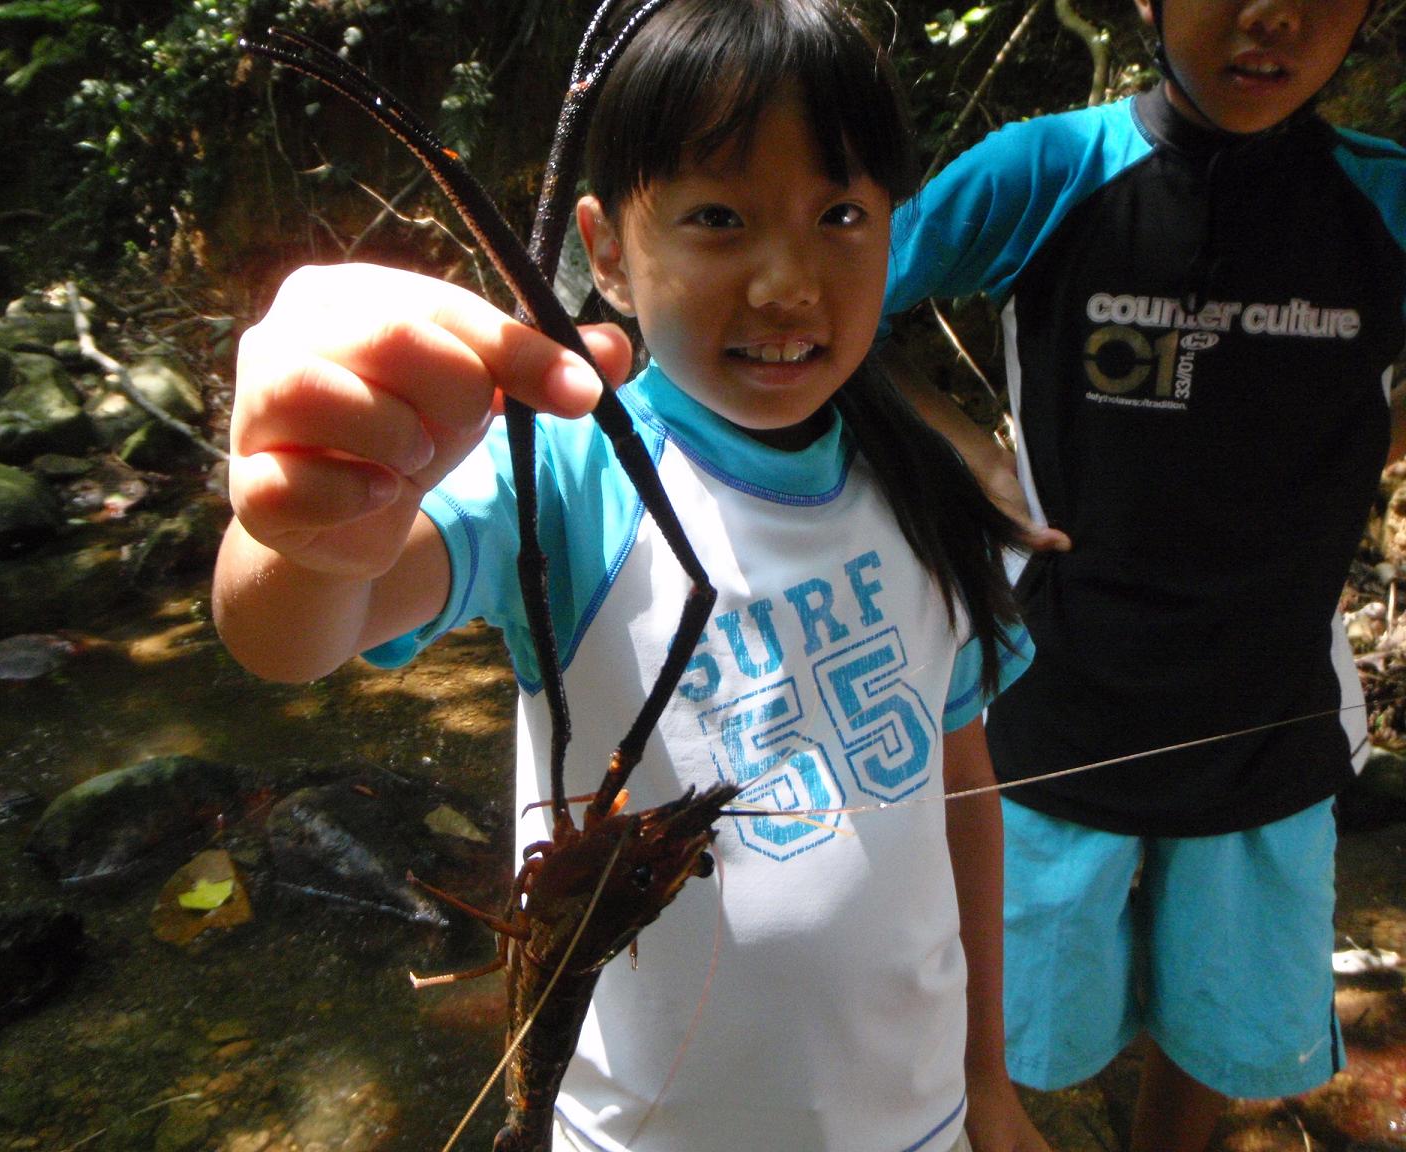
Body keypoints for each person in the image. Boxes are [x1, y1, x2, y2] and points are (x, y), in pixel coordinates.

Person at [214, 2, 1053, 1150]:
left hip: (921, 1124)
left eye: (841, 214)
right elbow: (287, 638)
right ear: (605, 252)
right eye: (717, 216)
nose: (786, 282)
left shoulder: (928, 487)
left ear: (895, 231)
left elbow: (963, 788)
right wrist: (314, 523)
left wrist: (990, 1081)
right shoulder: (564, 475)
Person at [881, 1, 1406, 1149]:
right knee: (1011, 1035)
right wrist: (964, 447)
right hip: (1051, 709)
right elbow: (836, 299)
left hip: (1270, 714)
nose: (1275, 16)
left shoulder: (1381, 197)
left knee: (1213, 1025)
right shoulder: (1047, 172)